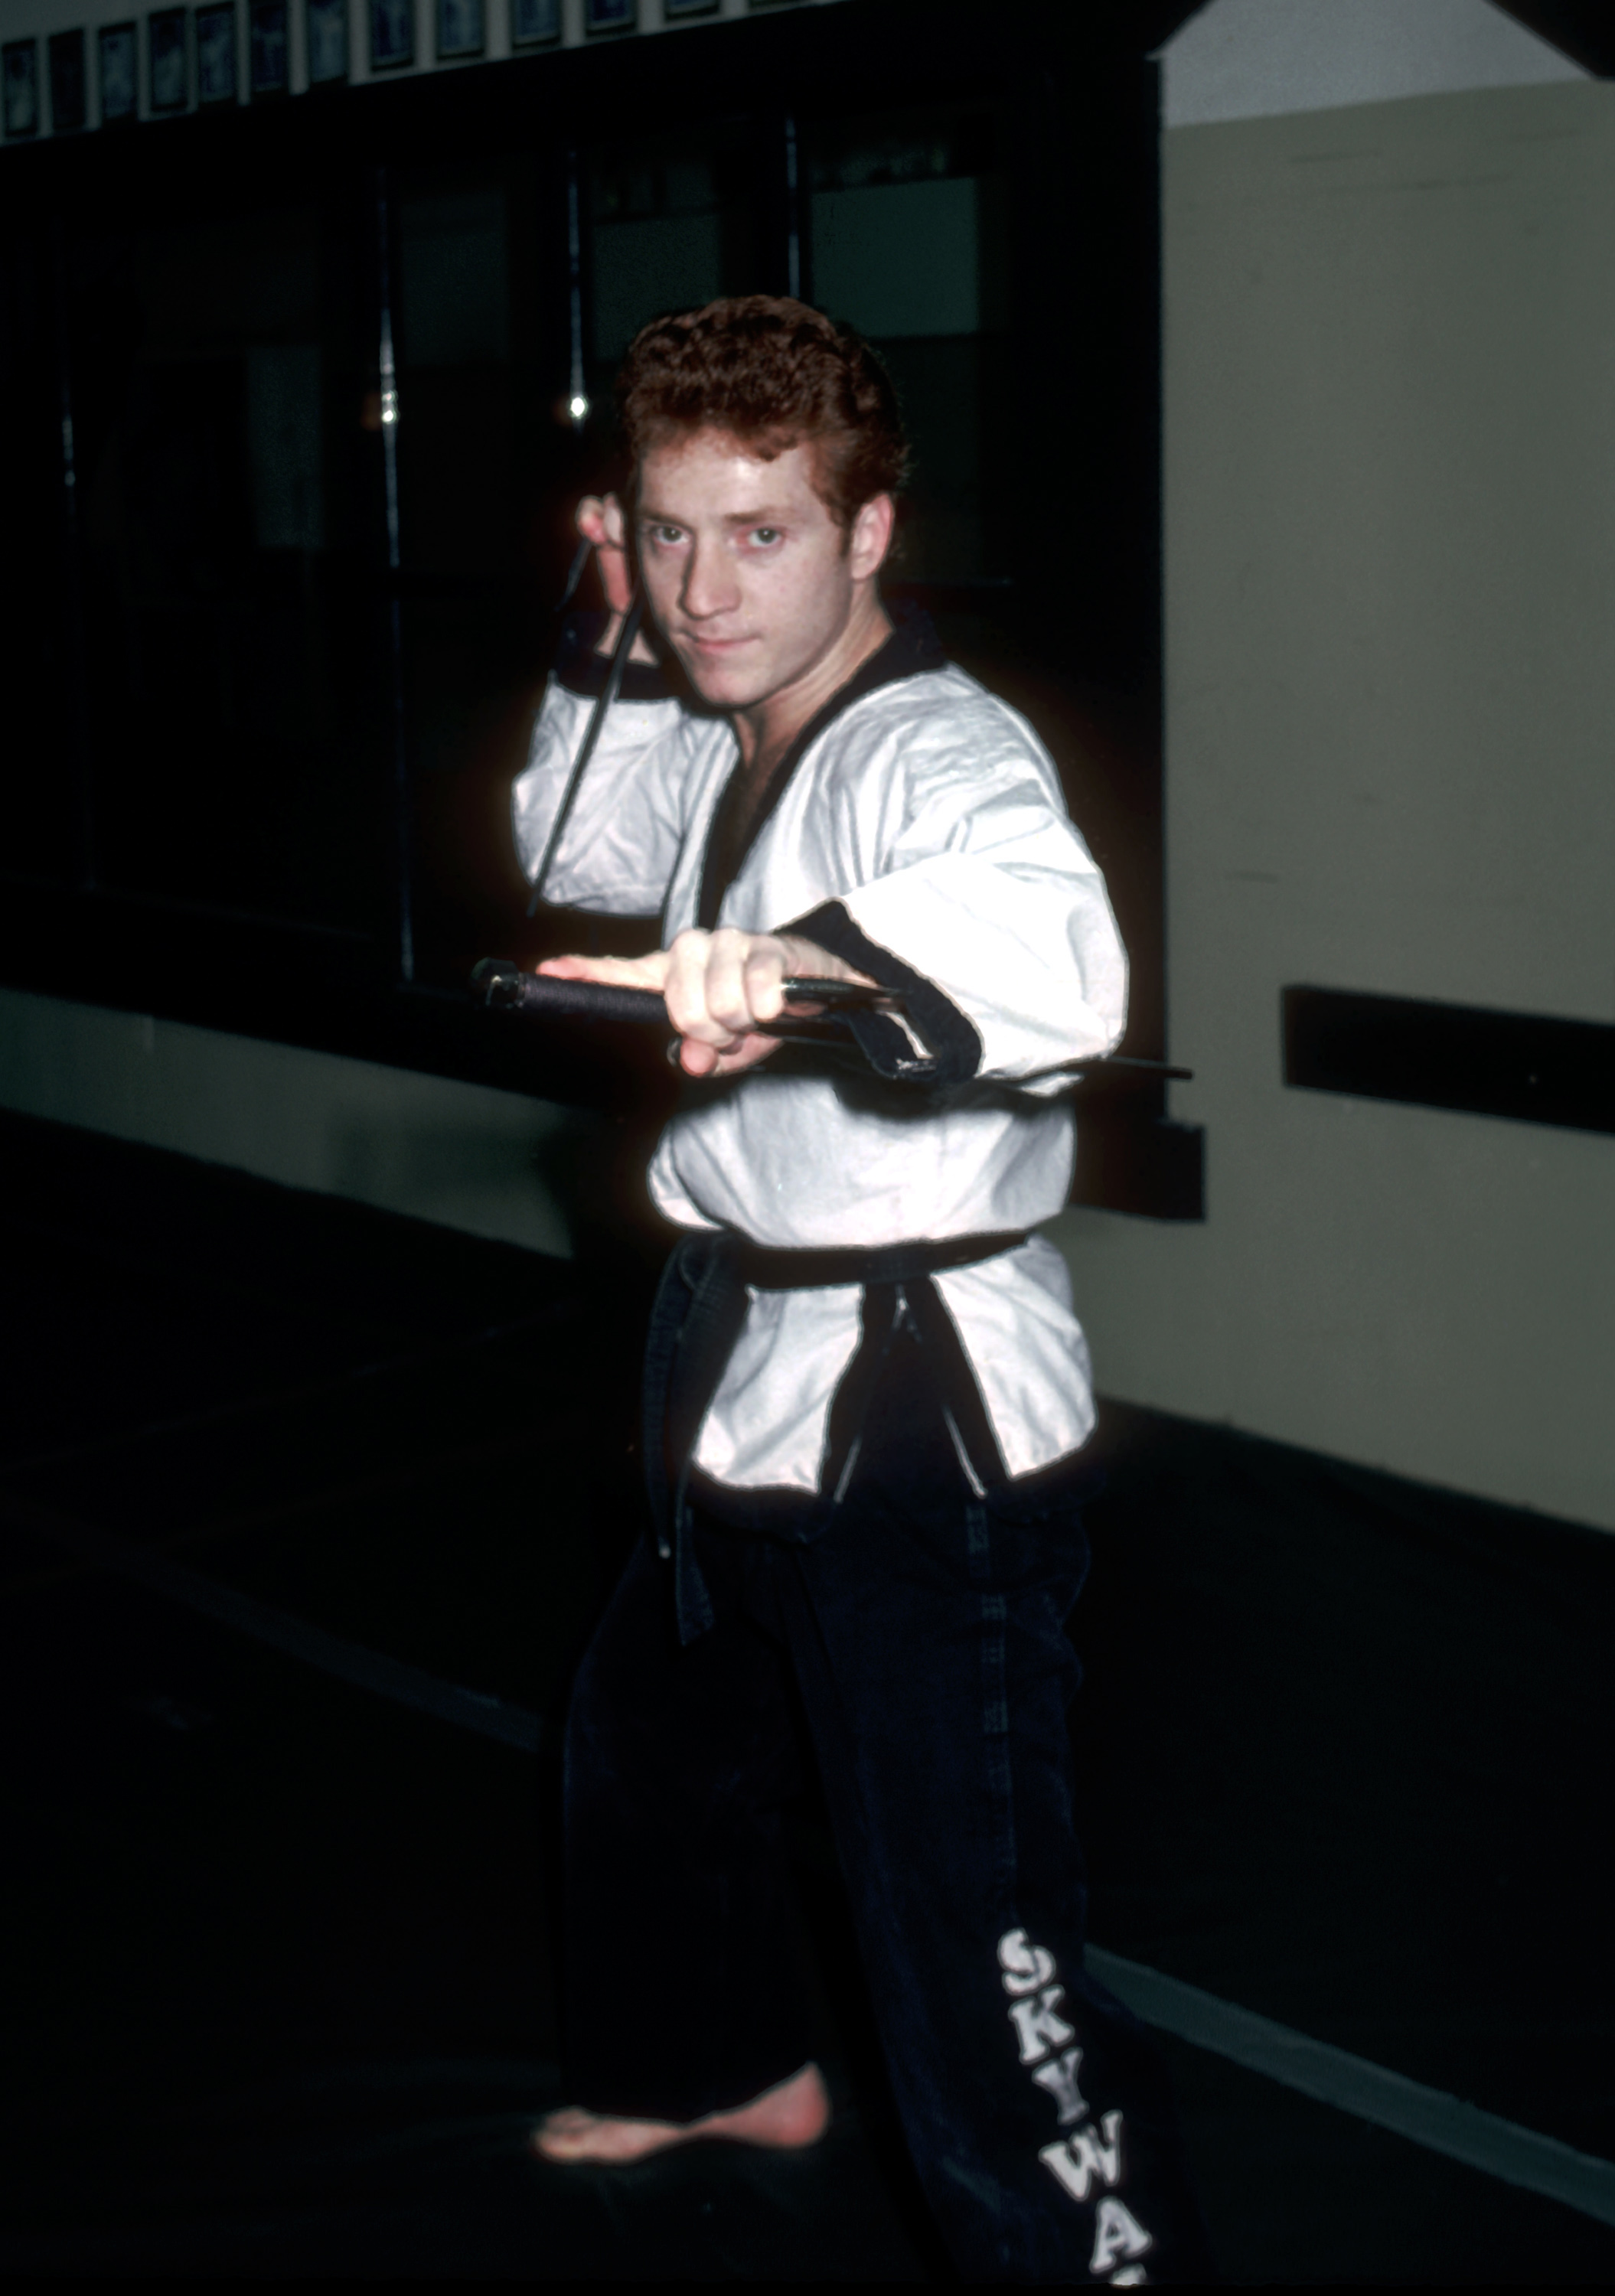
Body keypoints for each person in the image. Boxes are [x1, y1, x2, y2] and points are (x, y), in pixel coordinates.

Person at [512, 296, 1209, 2285]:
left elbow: (1048, 950)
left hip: (918, 1411)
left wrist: (808, 968)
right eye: (665, 535)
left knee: (968, 1937)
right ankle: (719, 2060)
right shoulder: (731, 724)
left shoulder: (938, 751)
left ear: (871, 533)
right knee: (648, 1757)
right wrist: (599, 640)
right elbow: (572, 841)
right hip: (729, 1344)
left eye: (762, 537)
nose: (705, 590)